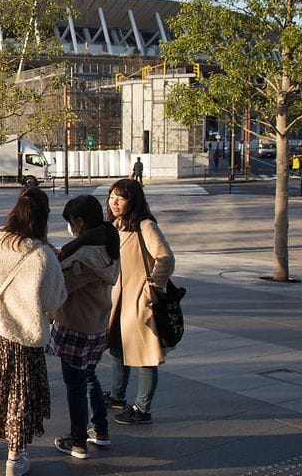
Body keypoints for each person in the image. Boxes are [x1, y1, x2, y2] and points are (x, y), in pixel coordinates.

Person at [0, 187, 67, 476]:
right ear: (44, 216)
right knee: (19, 394)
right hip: (24, 336)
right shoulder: (43, 255)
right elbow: (55, 300)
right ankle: (15, 456)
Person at [48, 195, 120, 459]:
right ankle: (100, 430)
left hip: (76, 327)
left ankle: (77, 441)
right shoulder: (106, 243)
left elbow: (61, 283)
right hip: (97, 326)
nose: (70, 227)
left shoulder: (85, 255)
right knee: (89, 377)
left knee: (75, 385)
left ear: (79, 221)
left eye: (70, 222)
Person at [104, 178, 175, 425]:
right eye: (112, 196)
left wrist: (152, 287)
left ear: (132, 201)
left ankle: (142, 408)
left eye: (121, 198)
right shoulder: (116, 225)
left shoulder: (145, 226)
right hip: (119, 300)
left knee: (145, 355)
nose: (114, 202)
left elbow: (165, 258)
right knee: (117, 349)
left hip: (139, 300)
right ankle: (117, 396)